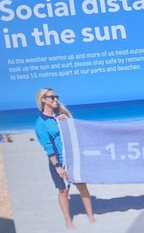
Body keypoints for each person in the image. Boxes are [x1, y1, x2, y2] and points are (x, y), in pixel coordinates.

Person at [33, 88, 95, 229]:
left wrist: (65, 120)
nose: (56, 99)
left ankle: (91, 217)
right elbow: (48, 147)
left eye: (56, 97)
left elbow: (74, 132)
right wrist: (57, 166)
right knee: (63, 191)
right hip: (58, 162)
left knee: (82, 187)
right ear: (43, 100)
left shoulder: (61, 117)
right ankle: (68, 220)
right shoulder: (40, 123)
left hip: (72, 159)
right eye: (52, 97)